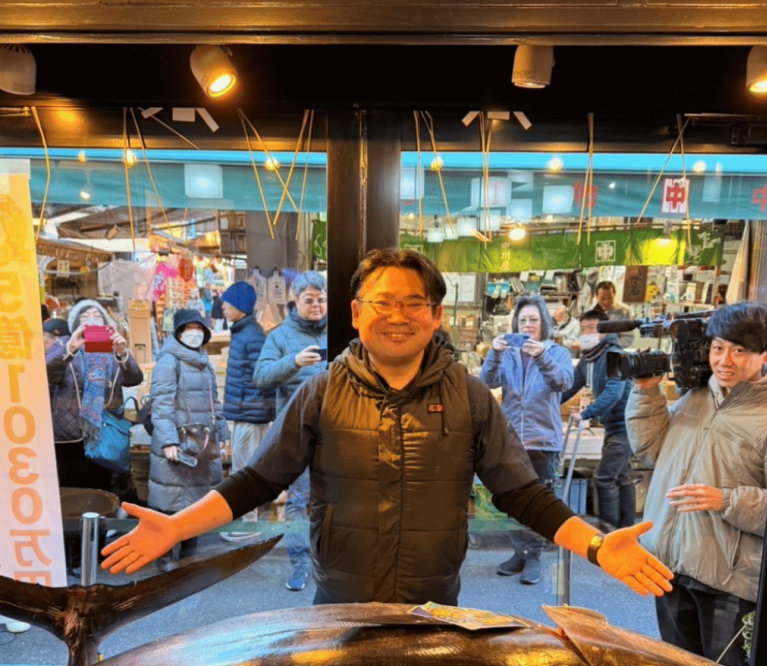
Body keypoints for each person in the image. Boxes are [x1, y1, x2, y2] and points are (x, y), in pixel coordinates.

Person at [102, 248, 673, 606]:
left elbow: (522, 493)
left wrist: (595, 545)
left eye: (413, 303)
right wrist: (179, 526)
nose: (397, 316)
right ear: (355, 313)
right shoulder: (319, 391)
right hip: (340, 600)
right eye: (382, 303)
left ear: (436, 316)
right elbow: (256, 481)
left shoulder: (469, 395)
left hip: (435, 602)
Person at [625, 301, 767, 666]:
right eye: (717, 348)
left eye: (739, 351)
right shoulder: (698, 396)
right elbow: (652, 452)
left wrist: (726, 500)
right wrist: (647, 392)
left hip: (729, 581)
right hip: (670, 565)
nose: (724, 361)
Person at [479, 293, 573, 585]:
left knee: (541, 503)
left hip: (543, 441)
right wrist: (493, 352)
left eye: (533, 320)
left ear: (543, 324)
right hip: (511, 440)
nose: (528, 325)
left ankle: (534, 555)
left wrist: (541, 356)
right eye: (523, 320)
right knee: (508, 500)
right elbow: (485, 384)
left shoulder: (557, 353)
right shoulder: (506, 354)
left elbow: (563, 383)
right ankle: (518, 550)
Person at [46, 301, 143, 573]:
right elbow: (46, 372)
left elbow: (134, 378)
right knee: (73, 495)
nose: (91, 319)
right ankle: (72, 555)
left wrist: (123, 353)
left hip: (102, 432)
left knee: (101, 493)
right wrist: (70, 349)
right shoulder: (64, 343)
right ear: (76, 321)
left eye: (96, 315)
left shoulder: (106, 346)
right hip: (70, 437)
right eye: (85, 315)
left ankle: (97, 550)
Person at [253, 272, 328, 591]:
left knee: (333, 499)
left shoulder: (338, 332)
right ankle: (299, 562)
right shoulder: (280, 336)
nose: (317, 306)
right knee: (297, 501)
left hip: (336, 433)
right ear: (295, 301)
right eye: (309, 300)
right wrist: (293, 362)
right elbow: (261, 376)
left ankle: (328, 561)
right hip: (296, 433)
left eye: (322, 300)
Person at [146, 309, 229, 570]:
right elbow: (161, 406)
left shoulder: (204, 362)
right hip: (178, 444)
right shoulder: (169, 361)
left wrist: (223, 434)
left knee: (195, 501)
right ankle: (164, 554)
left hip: (201, 444)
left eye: (198, 328)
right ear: (179, 332)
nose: (193, 333)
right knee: (170, 502)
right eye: (187, 328)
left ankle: (189, 552)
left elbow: (215, 403)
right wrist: (168, 441)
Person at [562, 310, 636, 530]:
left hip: (626, 426)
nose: (587, 333)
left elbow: (613, 393)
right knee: (622, 477)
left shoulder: (615, 355)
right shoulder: (589, 358)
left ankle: (609, 531)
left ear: (605, 330)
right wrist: (546, 401)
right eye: (583, 328)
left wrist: (585, 414)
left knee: (604, 478)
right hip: (613, 426)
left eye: (592, 328)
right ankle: (626, 530)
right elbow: (571, 386)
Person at [220, 279, 276, 531]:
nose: (222, 307)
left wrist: (252, 409)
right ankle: (247, 522)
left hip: (250, 415)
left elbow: (260, 377)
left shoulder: (250, 335)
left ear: (240, 306)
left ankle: (249, 526)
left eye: (227, 302)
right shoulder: (243, 332)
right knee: (244, 469)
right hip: (247, 413)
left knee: (245, 471)